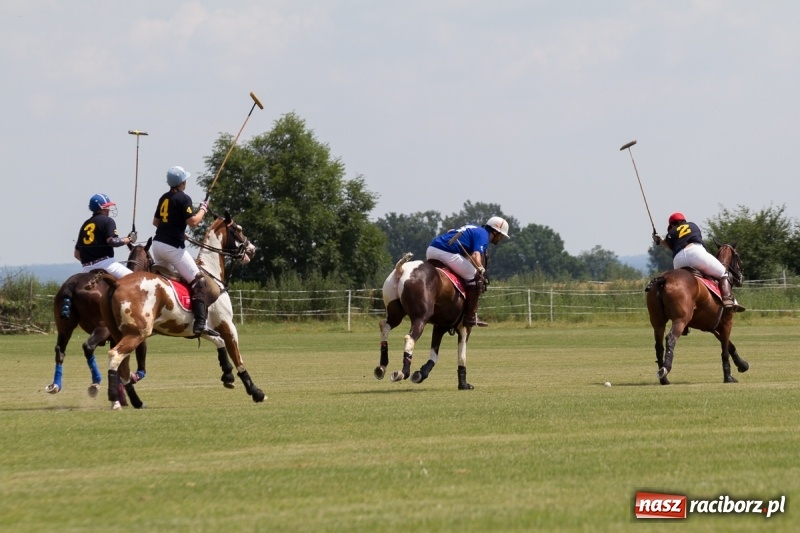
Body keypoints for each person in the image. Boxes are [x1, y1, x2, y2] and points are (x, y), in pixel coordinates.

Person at [151, 166, 218, 337]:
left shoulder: (163, 197)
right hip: (172, 247)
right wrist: (203, 208)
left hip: (157, 245)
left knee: (162, 281)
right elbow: (194, 221)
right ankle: (200, 323)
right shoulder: (183, 198)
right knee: (199, 281)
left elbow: (156, 222)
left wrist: (178, 231)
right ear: (182, 182)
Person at [426, 216, 510, 327]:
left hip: (431, 249)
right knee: (474, 278)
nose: (501, 239)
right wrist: (480, 268)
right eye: (501, 236)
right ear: (495, 232)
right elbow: (476, 255)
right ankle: (470, 317)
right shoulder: (484, 235)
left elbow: (450, 231)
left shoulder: (474, 228)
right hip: (446, 252)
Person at [653, 212, 735, 309]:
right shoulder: (693, 225)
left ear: (672, 225)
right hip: (696, 254)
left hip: (678, 260)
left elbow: (672, 247)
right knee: (725, 274)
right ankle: (727, 299)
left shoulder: (671, 233)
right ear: (684, 221)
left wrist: (660, 240)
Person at [74, 193, 136, 279]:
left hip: (86, 268)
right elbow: (112, 241)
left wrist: (91, 264)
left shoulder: (85, 224)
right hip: (106, 265)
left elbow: (77, 254)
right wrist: (129, 239)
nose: (109, 209)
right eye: (107, 207)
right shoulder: (107, 221)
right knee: (136, 279)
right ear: (103, 208)